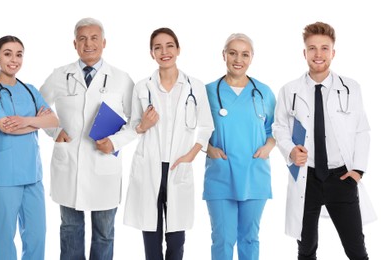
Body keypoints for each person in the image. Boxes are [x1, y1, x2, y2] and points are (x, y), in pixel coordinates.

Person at [272, 21, 376, 260]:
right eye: (312, 48)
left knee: (357, 250)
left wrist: (358, 171)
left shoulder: (351, 87)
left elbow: (362, 130)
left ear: (333, 52)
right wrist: (289, 151)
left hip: (341, 177)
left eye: (324, 48)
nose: (318, 54)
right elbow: (279, 127)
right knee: (306, 250)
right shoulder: (290, 90)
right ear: (304, 52)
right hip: (306, 178)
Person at [40, 17, 135, 260]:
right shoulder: (60, 75)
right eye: (82, 38)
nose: (88, 43)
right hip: (69, 164)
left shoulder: (121, 78)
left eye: (94, 38)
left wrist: (115, 142)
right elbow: (38, 108)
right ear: (75, 44)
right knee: (70, 229)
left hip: (104, 166)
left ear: (104, 42)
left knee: (104, 233)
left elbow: (137, 122)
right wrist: (54, 132)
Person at [123, 27, 214, 260]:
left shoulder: (195, 86)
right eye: (158, 47)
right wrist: (143, 124)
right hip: (149, 165)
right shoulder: (143, 87)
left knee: (176, 239)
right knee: (151, 237)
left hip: (178, 166)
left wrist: (191, 154)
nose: (164, 51)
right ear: (151, 53)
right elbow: (134, 126)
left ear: (178, 49)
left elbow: (206, 126)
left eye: (169, 46)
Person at [0, 35, 58, 260]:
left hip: (32, 175)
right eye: (7, 54)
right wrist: (35, 121)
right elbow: (5, 127)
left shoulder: (31, 89)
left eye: (19, 54)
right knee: (4, 238)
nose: (14, 59)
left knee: (37, 237)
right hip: (3, 177)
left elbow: (53, 121)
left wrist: (24, 121)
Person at [203, 33, 276, 260]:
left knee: (249, 238)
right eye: (233, 53)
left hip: (254, 173)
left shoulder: (263, 92)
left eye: (245, 54)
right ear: (223, 55)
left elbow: (276, 130)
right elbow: (193, 129)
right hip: (221, 174)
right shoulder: (208, 91)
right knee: (223, 238)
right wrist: (208, 147)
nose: (238, 59)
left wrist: (268, 147)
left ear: (251, 58)